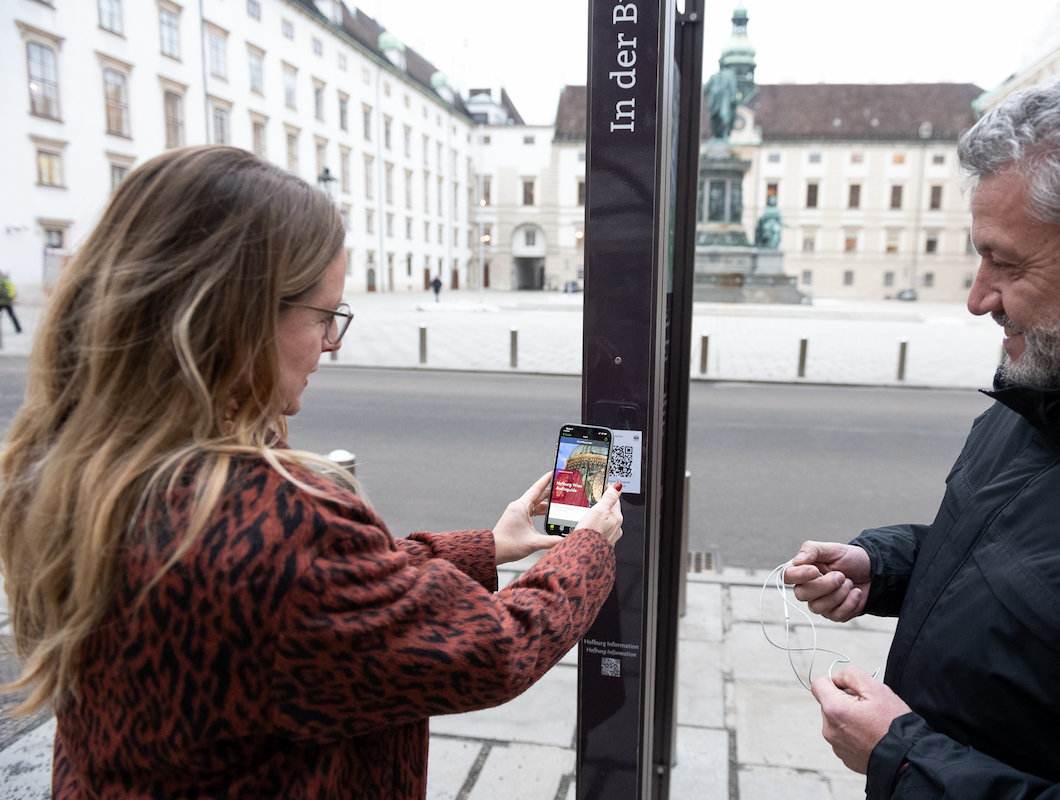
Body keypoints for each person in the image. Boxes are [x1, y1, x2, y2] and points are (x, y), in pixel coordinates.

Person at [0, 146, 624, 799]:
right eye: (325, 316)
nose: (335, 342)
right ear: (235, 318)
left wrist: (487, 546)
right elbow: (495, 650)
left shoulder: (75, 465)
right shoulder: (273, 524)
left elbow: (329, 604)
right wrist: (586, 550)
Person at [785, 54, 1060, 798]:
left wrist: (909, 762)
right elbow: (1029, 564)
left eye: (1004, 264)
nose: (979, 299)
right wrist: (884, 565)